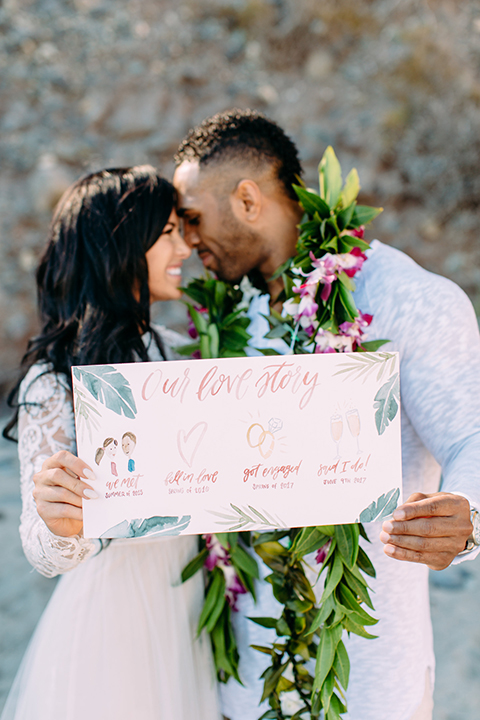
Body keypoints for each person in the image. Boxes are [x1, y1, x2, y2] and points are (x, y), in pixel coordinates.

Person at [173, 109, 480, 720]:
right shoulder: (222, 320)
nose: (186, 240)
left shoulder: (405, 299)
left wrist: (469, 518)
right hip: (246, 680)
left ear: (248, 199)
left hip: (369, 681)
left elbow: (472, 435)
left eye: (193, 218)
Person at [2, 166, 221, 720]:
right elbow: (43, 547)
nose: (185, 248)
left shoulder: (184, 357)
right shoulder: (54, 379)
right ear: (123, 243)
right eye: (168, 232)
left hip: (187, 604)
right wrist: (60, 520)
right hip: (113, 620)